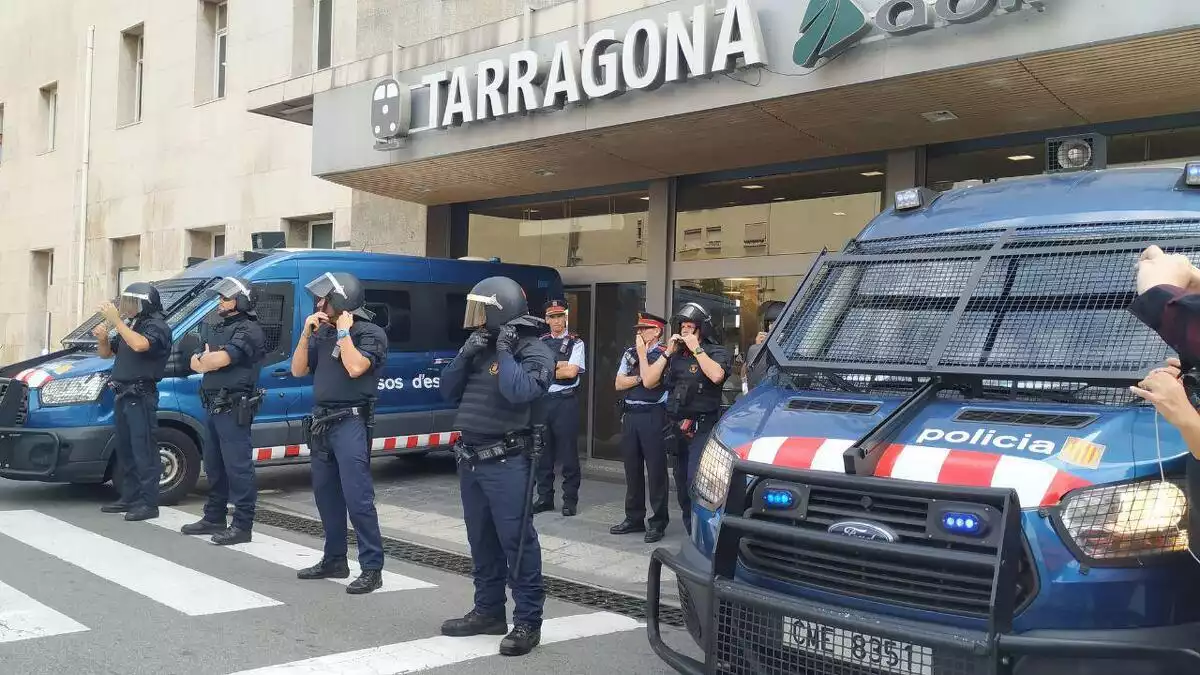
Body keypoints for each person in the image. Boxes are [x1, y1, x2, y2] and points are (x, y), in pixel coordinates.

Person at [438, 276, 556, 657]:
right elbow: (446, 389)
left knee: (517, 542)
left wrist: (506, 351)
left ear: (500, 309)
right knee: (481, 541)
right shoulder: (479, 347)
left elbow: (519, 391)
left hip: (508, 461)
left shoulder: (535, 350)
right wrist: (466, 354)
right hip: (470, 459)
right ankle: (488, 611)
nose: (477, 318)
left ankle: (527, 620)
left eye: (483, 308)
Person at [289, 272, 387, 594]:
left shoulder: (370, 333)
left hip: (351, 422)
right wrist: (306, 334)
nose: (319, 304)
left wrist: (344, 333)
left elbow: (357, 367)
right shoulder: (322, 333)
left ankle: (372, 568)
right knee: (326, 496)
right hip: (322, 424)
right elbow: (298, 369)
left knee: (358, 498)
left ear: (342, 301)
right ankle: (334, 559)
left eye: (325, 299)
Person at [181, 277, 267, 545]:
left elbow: (217, 359)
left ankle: (242, 525)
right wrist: (205, 361)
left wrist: (206, 360)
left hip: (233, 406)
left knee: (238, 468)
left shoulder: (249, 330)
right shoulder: (218, 328)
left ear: (241, 301)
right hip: (213, 405)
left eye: (225, 298)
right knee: (215, 465)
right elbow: (196, 362)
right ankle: (214, 517)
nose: (220, 302)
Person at [94, 283, 173, 522]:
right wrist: (103, 337)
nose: (127, 307)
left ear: (145, 302)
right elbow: (107, 354)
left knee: (144, 449)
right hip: (123, 393)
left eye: (131, 302)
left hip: (141, 394)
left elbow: (140, 345)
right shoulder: (133, 325)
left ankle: (148, 503)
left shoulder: (156, 326)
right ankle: (130, 497)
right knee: (126, 449)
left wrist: (116, 321)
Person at [662, 302, 731, 535]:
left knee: (697, 483)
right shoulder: (676, 356)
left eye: (691, 327)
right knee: (681, 484)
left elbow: (717, 375)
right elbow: (654, 381)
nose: (686, 331)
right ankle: (691, 532)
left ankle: (706, 534)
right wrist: (667, 353)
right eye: (683, 326)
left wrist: (697, 350)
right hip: (677, 428)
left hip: (702, 428)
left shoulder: (716, 351)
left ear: (702, 329)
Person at [610, 312, 672, 543]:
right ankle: (633, 518)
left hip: (653, 415)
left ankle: (658, 521)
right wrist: (638, 377)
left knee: (656, 471)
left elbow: (652, 381)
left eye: (644, 328)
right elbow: (618, 383)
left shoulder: (665, 354)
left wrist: (639, 372)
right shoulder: (629, 352)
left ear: (656, 331)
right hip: (631, 415)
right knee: (632, 470)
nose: (639, 333)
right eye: (638, 329)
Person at [531, 298, 586, 517]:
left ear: (566, 317)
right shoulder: (540, 342)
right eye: (552, 317)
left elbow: (571, 372)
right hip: (543, 401)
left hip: (565, 401)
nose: (556, 321)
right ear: (546, 319)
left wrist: (549, 368)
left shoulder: (576, 342)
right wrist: (559, 365)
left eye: (560, 316)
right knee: (543, 453)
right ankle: (544, 498)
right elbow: (533, 370)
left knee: (568, 454)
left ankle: (569, 500)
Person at [742, 300, 784, 387]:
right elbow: (745, 377)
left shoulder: (796, 348)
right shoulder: (756, 349)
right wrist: (759, 349)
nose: (773, 326)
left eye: (777, 322)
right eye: (771, 323)